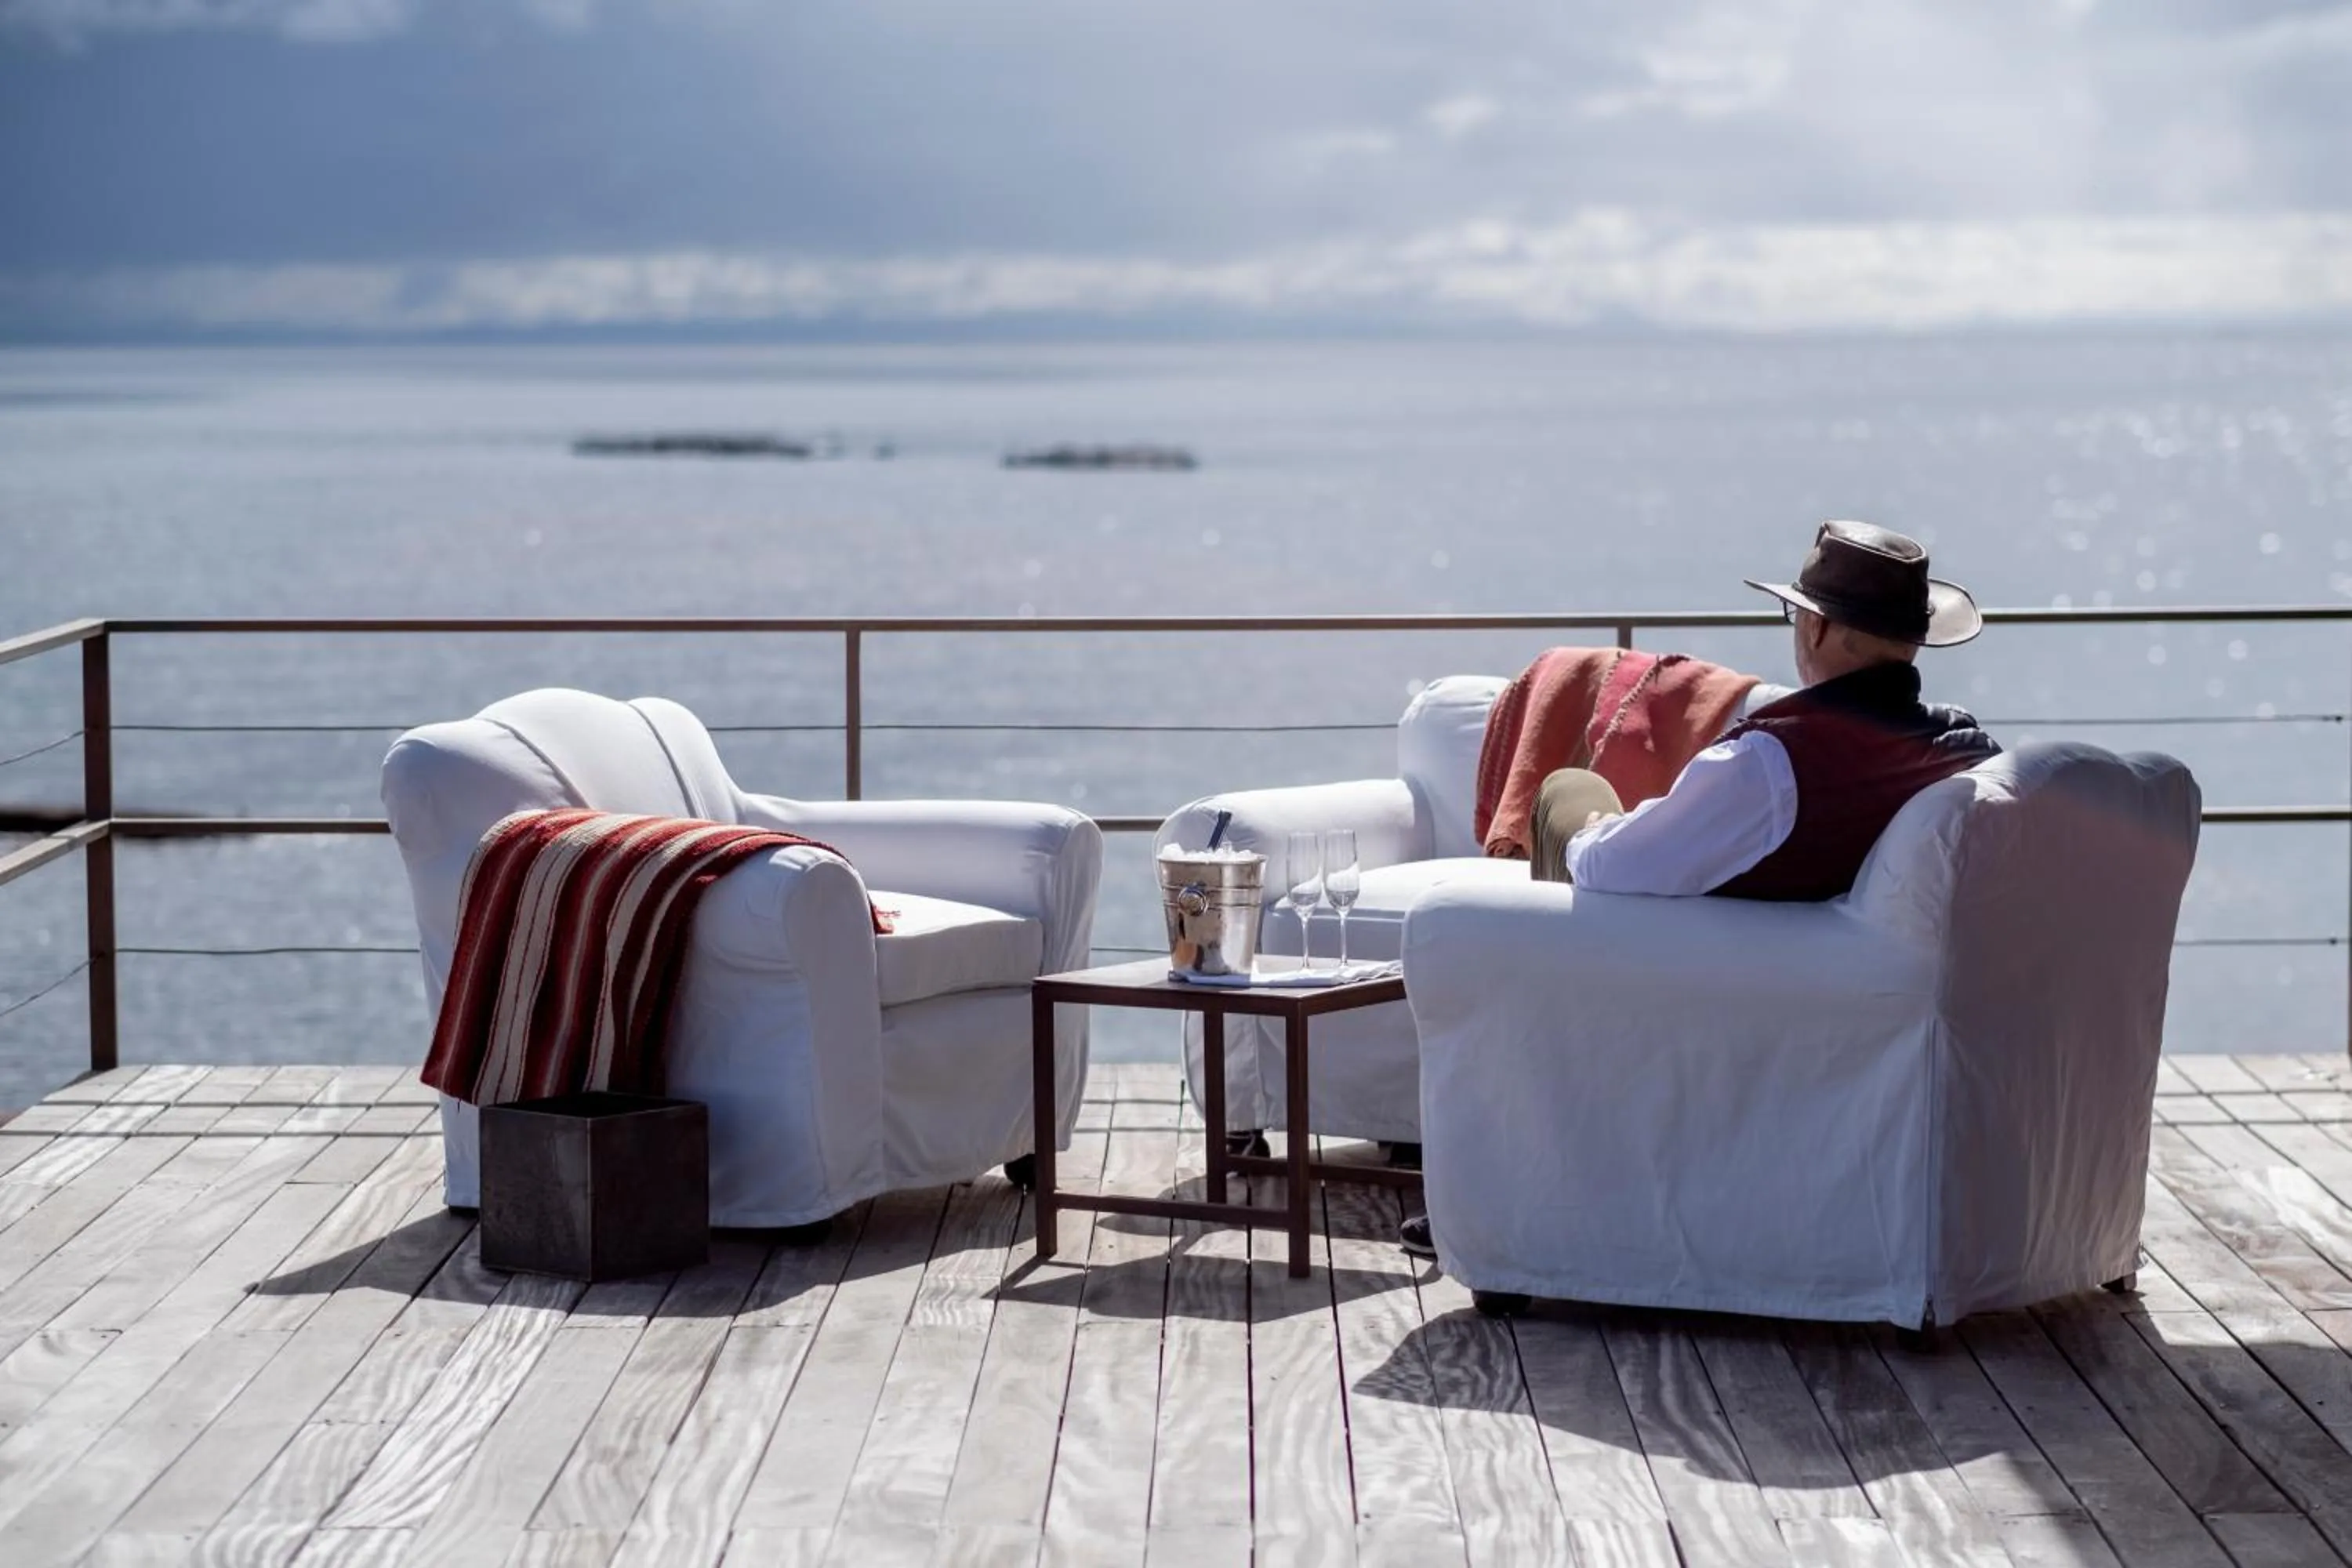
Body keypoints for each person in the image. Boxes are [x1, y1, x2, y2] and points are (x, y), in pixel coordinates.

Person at [1400, 519, 1999, 1262]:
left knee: (1568, 795)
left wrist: (1590, 827)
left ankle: (1490, 1192)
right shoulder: (1962, 750)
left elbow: (1614, 871)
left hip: (1717, 979)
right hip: (1839, 973)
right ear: (1913, 640)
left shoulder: (1769, 761)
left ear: (1814, 627)